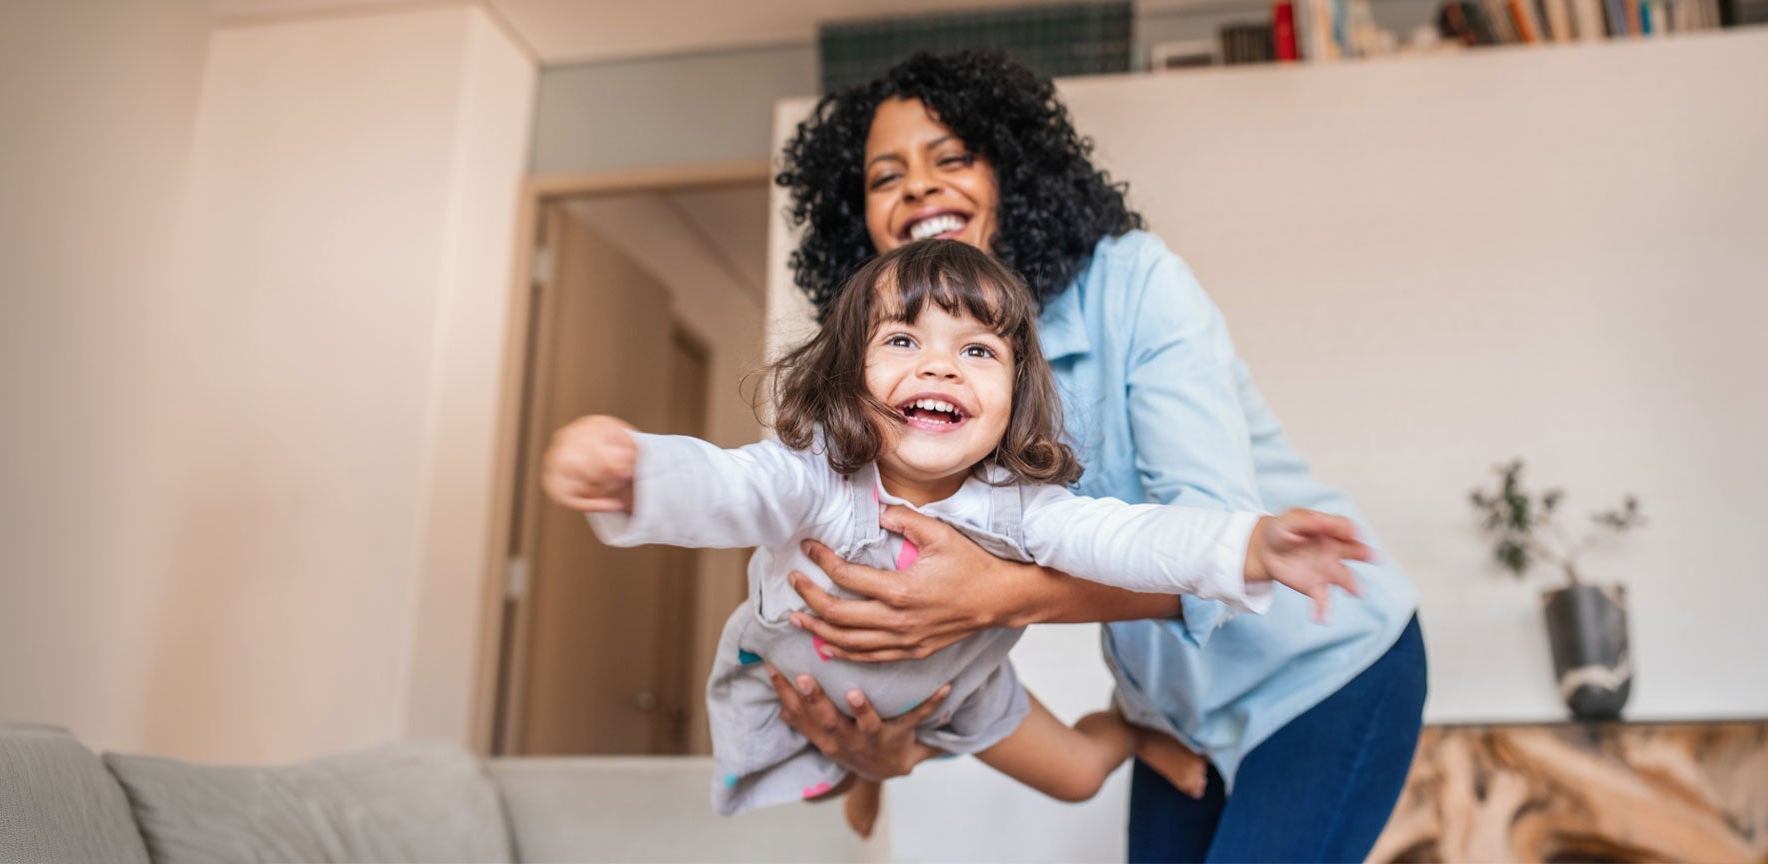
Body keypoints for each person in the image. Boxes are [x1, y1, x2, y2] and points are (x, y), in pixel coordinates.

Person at [767, 51, 1428, 862]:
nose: (918, 188)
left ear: (1013, 170)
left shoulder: (1138, 284)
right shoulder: (911, 383)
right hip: (1172, 715)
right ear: (856, 218)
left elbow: (1210, 539)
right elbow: (916, 596)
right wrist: (884, 753)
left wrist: (1002, 596)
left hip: (1325, 668)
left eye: (953, 157)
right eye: (884, 177)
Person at [539, 239, 1374, 835]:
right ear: (847, 376)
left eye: (975, 351)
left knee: (1080, 779)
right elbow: (728, 483)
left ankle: (1126, 730)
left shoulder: (1023, 506)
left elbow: (1133, 536)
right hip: (816, 680)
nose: (939, 366)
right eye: (903, 340)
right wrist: (635, 473)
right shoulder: (817, 477)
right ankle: (877, 777)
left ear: (1014, 397)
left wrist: (1250, 546)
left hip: (960, 689)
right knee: (828, 771)